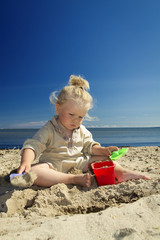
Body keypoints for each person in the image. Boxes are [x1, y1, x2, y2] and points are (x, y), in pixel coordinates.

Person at [17, 75, 150, 188]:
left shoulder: (81, 130)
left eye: (80, 117)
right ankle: (72, 179)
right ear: (58, 108)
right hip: (55, 165)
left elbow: (90, 146)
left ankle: (122, 173)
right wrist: (26, 162)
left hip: (80, 162)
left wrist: (102, 150)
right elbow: (33, 145)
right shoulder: (49, 128)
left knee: (105, 159)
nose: (76, 120)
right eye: (71, 114)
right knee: (34, 172)